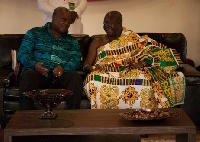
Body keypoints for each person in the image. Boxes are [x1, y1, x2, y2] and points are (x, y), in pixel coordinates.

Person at [83, 11, 185, 110]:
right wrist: (92, 68)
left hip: (129, 70)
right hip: (105, 72)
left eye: (110, 23)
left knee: (144, 78)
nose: (106, 26)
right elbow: (86, 65)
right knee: (92, 79)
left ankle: (143, 115)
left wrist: (143, 63)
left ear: (120, 24)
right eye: (104, 23)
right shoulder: (98, 42)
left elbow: (149, 50)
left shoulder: (132, 38)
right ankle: (105, 117)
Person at [17, 7, 83, 110]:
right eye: (63, 19)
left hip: (61, 76)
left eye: (69, 21)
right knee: (28, 75)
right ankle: (26, 120)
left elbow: (76, 60)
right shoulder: (35, 33)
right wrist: (34, 64)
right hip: (39, 73)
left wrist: (63, 68)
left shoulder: (72, 41)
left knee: (76, 78)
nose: (67, 24)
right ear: (53, 18)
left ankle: (72, 118)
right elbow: (22, 53)